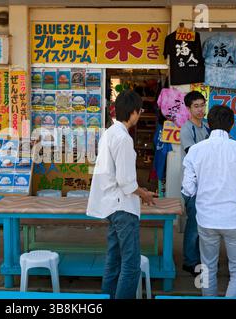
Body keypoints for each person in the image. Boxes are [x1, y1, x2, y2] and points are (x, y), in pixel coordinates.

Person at [87, 90, 156, 299]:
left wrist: (141, 191)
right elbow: (126, 181)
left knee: (114, 260)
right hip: (122, 207)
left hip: (110, 204)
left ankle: (106, 297)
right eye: (140, 110)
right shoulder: (123, 138)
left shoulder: (110, 132)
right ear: (134, 112)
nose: (140, 115)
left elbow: (120, 177)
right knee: (131, 264)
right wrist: (144, 194)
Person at [182, 105, 236, 297]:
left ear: (209, 124)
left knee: (206, 269)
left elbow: (188, 189)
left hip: (206, 220)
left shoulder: (195, 151)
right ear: (232, 125)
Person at [180, 91, 211, 276]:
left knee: (203, 225)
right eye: (196, 106)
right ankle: (189, 261)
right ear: (188, 109)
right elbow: (193, 154)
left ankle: (198, 259)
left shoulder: (207, 126)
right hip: (193, 185)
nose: (200, 110)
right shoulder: (186, 129)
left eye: (202, 105)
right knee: (193, 225)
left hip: (207, 184)